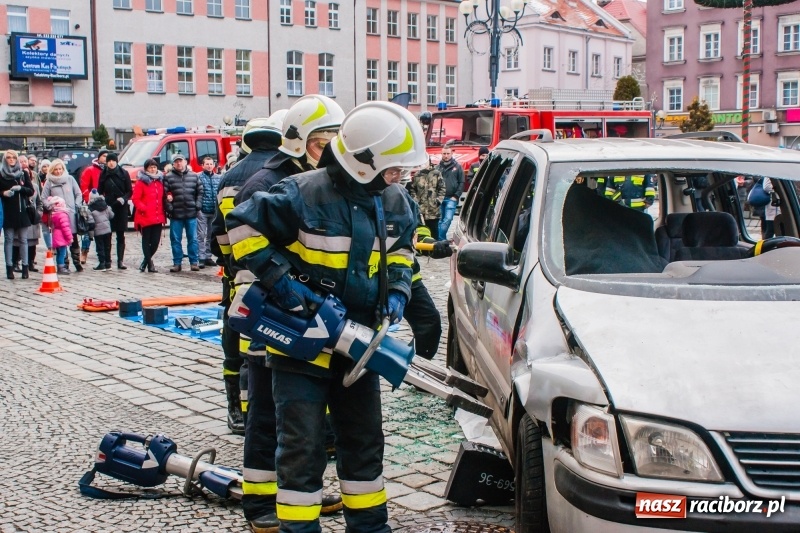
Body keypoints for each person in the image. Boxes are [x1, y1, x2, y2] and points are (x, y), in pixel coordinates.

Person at [226, 101, 424, 533]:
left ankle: (370, 527)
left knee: (364, 442)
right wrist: (283, 284)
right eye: (394, 169)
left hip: (359, 344)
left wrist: (398, 289)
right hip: (302, 344)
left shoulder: (394, 201)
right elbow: (241, 228)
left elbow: (404, 252)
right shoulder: (301, 192)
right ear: (363, 162)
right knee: (301, 446)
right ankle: (300, 529)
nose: (399, 178)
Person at [226, 98, 344, 531]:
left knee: (304, 418)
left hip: (303, 314)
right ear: (298, 143)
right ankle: (260, 505)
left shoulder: (316, 180)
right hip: (268, 314)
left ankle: (300, 494)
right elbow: (239, 248)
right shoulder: (265, 182)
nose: (329, 150)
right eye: (321, 142)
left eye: (334, 140)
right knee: (266, 412)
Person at [210, 112, 293, 438]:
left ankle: (239, 412)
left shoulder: (229, 177)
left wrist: (231, 265)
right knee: (271, 347)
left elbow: (219, 233)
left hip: (238, 276)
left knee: (236, 344)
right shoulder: (282, 173)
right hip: (277, 273)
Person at [42, 159, 84, 272]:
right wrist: (50, 206)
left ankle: (77, 262)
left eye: (60, 169)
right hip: (58, 216)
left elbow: (78, 193)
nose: (58, 171)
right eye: (56, 169)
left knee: (73, 238)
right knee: (62, 239)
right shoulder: (49, 182)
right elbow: (43, 198)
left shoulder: (70, 179)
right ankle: (64, 264)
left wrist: (77, 205)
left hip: (71, 214)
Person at [164, 153, 202, 272]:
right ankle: (177, 263)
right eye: (176, 162)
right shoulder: (168, 177)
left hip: (191, 213)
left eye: (181, 161)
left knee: (193, 239)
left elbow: (200, 192)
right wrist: (170, 208)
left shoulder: (194, 176)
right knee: (175, 239)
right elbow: (164, 195)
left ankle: (194, 262)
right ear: (173, 164)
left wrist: (198, 205)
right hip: (176, 214)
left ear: (185, 162)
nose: (179, 163)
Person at [0, 150, 34, 279]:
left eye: (13, 157)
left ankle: (25, 267)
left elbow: (31, 191)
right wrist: (4, 193)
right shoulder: (1, 174)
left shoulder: (23, 173)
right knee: (8, 240)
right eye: (8, 157)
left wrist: (21, 189)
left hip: (22, 210)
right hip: (8, 211)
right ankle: (9, 268)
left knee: (23, 240)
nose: (11, 159)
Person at [98, 152, 132, 270]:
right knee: (107, 234)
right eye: (109, 161)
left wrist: (123, 198)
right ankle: (107, 260)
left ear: (117, 161)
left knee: (120, 234)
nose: (111, 163)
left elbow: (130, 191)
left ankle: (120, 261)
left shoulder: (124, 173)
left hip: (121, 207)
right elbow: (99, 191)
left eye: (113, 160)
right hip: (108, 207)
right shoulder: (103, 174)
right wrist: (102, 201)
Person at [131, 158, 166, 273]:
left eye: (154, 167)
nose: (153, 169)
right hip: (145, 216)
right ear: (146, 169)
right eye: (150, 167)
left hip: (158, 215)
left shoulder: (160, 180)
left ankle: (145, 261)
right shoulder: (141, 182)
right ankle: (150, 265)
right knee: (146, 240)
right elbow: (136, 199)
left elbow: (165, 194)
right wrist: (144, 208)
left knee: (155, 242)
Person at [79, 148, 108, 264]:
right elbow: (84, 187)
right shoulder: (90, 170)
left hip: (105, 205)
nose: (106, 159)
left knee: (104, 232)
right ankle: (84, 251)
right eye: (104, 156)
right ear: (99, 157)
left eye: (108, 156)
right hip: (91, 204)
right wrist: (88, 200)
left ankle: (104, 256)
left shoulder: (110, 170)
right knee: (88, 231)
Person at [408, 160, 445, 239]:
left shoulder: (436, 173)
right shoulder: (417, 175)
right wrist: (415, 200)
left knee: (434, 232)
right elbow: (412, 189)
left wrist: (438, 201)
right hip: (420, 210)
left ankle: (434, 249)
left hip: (433, 210)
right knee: (421, 231)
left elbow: (442, 188)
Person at [196, 156, 221, 268]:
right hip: (202, 210)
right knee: (201, 235)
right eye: (207, 164)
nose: (209, 166)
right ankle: (201, 257)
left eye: (211, 164)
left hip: (214, 210)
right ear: (202, 165)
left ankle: (208, 256)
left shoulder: (218, 178)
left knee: (211, 235)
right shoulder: (198, 177)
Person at [437, 145, 464, 240]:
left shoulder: (458, 167)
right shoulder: (437, 168)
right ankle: (441, 239)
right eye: (444, 153)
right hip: (439, 198)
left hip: (451, 198)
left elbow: (461, 182)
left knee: (448, 219)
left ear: (452, 154)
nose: (446, 155)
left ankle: (439, 239)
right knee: (440, 220)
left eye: (448, 153)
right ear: (441, 154)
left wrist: (456, 196)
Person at [88, 189, 114, 271]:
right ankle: (108, 263)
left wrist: (90, 235)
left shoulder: (90, 208)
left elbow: (91, 223)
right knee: (107, 246)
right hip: (107, 230)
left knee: (100, 247)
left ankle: (102, 263)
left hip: (98, 232)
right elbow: (111, 215)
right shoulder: (105, 205)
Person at [47, 196, 73, 275]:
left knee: (59, 253)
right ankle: (61, 267)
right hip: (61, 236)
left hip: (56, 235)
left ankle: (60, 266)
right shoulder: (62, 215)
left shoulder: (54, 214)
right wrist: (70, 238)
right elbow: (65, 228)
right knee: (62, 253)